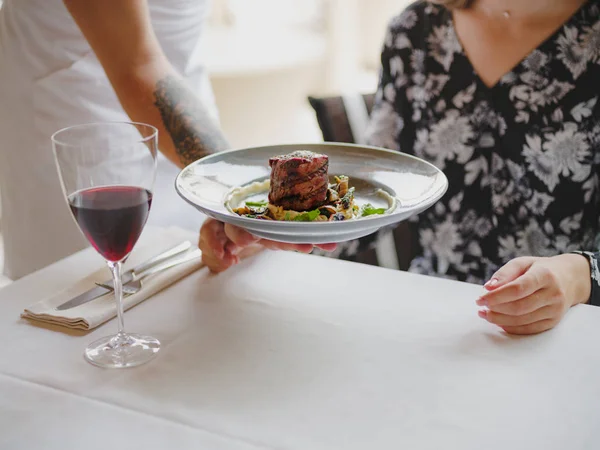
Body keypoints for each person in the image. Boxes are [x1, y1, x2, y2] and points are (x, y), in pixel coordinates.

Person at [200, 0, 600, 335]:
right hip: (430, 322)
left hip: (568, 332)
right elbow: (378, 201)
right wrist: (270, 232)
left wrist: (578, 274)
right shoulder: (416, 31)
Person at [0, 0, 330, 280]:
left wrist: (227, 199)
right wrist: (237, 194)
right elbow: (137, 65)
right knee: (88, 310)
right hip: (86, 137)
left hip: (186, 122)